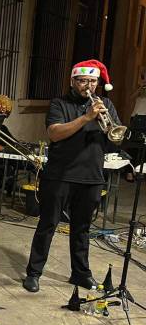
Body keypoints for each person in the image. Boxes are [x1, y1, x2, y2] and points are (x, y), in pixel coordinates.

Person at [23, 59, 121, 293]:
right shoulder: (59, 103)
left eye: (93, 81)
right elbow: (55, 134)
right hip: (60, 174)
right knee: (48, 224)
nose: (88, 85)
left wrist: (109, 127)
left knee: (82, 228)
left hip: (92, 175)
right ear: (73, 81)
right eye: (83, 80)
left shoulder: (105, 103)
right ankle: (34, 273)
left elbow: (116, 136)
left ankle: (80, 273)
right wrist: (86, 117)